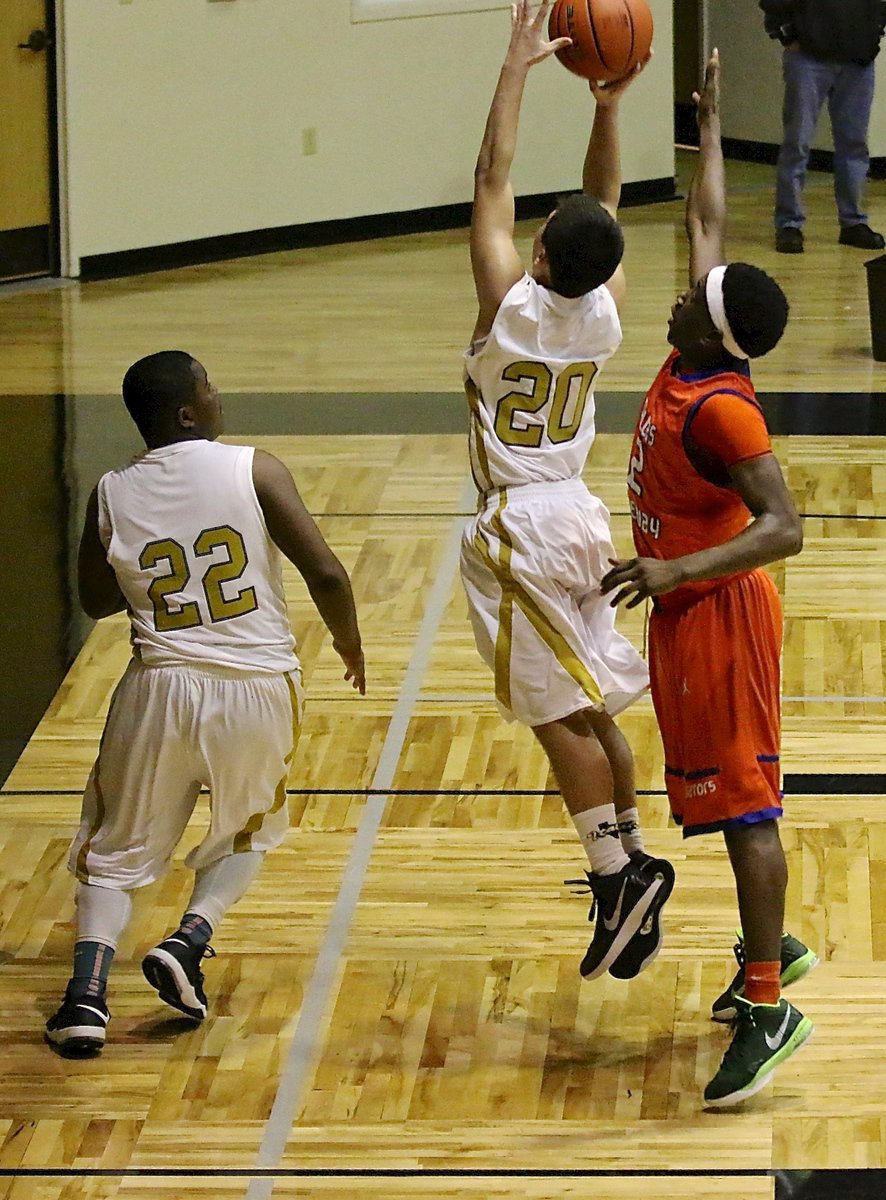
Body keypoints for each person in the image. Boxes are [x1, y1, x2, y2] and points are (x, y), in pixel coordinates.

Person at [601, 51, 817, 1108]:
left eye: (692, 294)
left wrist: (674, 565)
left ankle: (771, 1003)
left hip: (719, 612)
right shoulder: (691, 355)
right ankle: (765, 958)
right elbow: (708, 228)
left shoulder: (722, 407)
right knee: (723, 806)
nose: (682, 284)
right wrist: (712, 127)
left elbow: (785, 526)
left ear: (707, 328)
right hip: (684, 611)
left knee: (746, 810)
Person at [45, 351, 365, 1055]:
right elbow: (327, 573)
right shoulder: (255, 467)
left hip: (157, 687)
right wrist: (349, 645)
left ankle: (85, 997)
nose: (219, 394)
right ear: (190, 411)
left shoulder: (111, 489)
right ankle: (189, 940)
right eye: (210, 386)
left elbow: (96, 601)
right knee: (248, 827)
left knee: (114, 846)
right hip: (255, 685)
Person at [459, 0, 673, 986]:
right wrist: (606, 106)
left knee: (555, 721)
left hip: (519, 528)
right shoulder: (605, 313)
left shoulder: (510, 305)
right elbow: (602, 212)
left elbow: (491, 177)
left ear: (539, 259)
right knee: (592, 708)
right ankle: (627, 863)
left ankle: (613, 874)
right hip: (581, 516)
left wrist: (514, 65)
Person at [760, 0, 886, 253]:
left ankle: (853, 222)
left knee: (854, 144)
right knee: (797, 142)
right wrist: (786, 35)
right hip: (807, 56)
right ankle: (789, 224)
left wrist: (875, 30)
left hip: (859, 57)